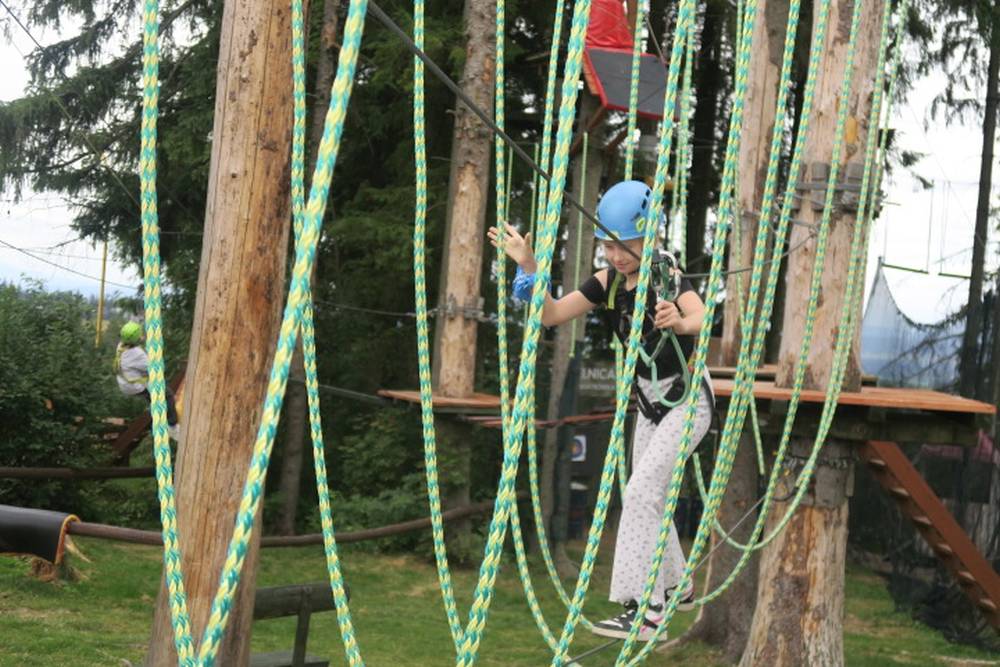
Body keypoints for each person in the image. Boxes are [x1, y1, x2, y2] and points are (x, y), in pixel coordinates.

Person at [487, 180, 714, 642]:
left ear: (648, 237)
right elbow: (551, 314)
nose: (616, 256)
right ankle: (679, 585)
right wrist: (529, 266)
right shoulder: (608, 283)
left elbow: (701, 316)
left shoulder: (664, 272)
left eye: (625, 246)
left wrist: (678, 320)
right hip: (649, 401)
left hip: (687, 398)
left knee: (642, 491)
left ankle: (647, 610)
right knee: (645, 496)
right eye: (608, 246)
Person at [114, 321, 180, 441]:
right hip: (134, 385)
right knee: (168, 395)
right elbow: (154, 368)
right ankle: (173, 426)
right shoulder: (136, 354)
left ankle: (158, 415)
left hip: (125, 383)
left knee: (152, 398)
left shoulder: (120, 346)